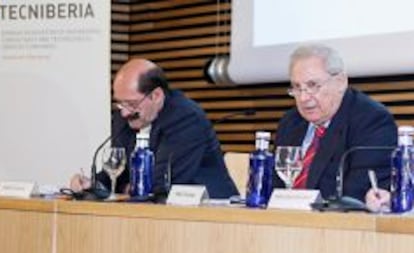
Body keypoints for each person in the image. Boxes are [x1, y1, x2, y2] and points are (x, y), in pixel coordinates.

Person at [70, 58, 238, 199]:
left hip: (208, 216)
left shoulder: (186, 118)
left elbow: (162, 183)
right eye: (120, 103)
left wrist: (131, 187)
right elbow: (118, 172)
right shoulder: (124, 119)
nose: (124, 112)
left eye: (131, 104)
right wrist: (93, 184)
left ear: (156, 96)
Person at [274, 44, 398, 201]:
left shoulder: (371, 121)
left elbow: (357, 195)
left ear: (340, 82)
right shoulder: (290, 123)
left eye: (312, 86)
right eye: (297, 88)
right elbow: (274, 188)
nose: (303, 98)